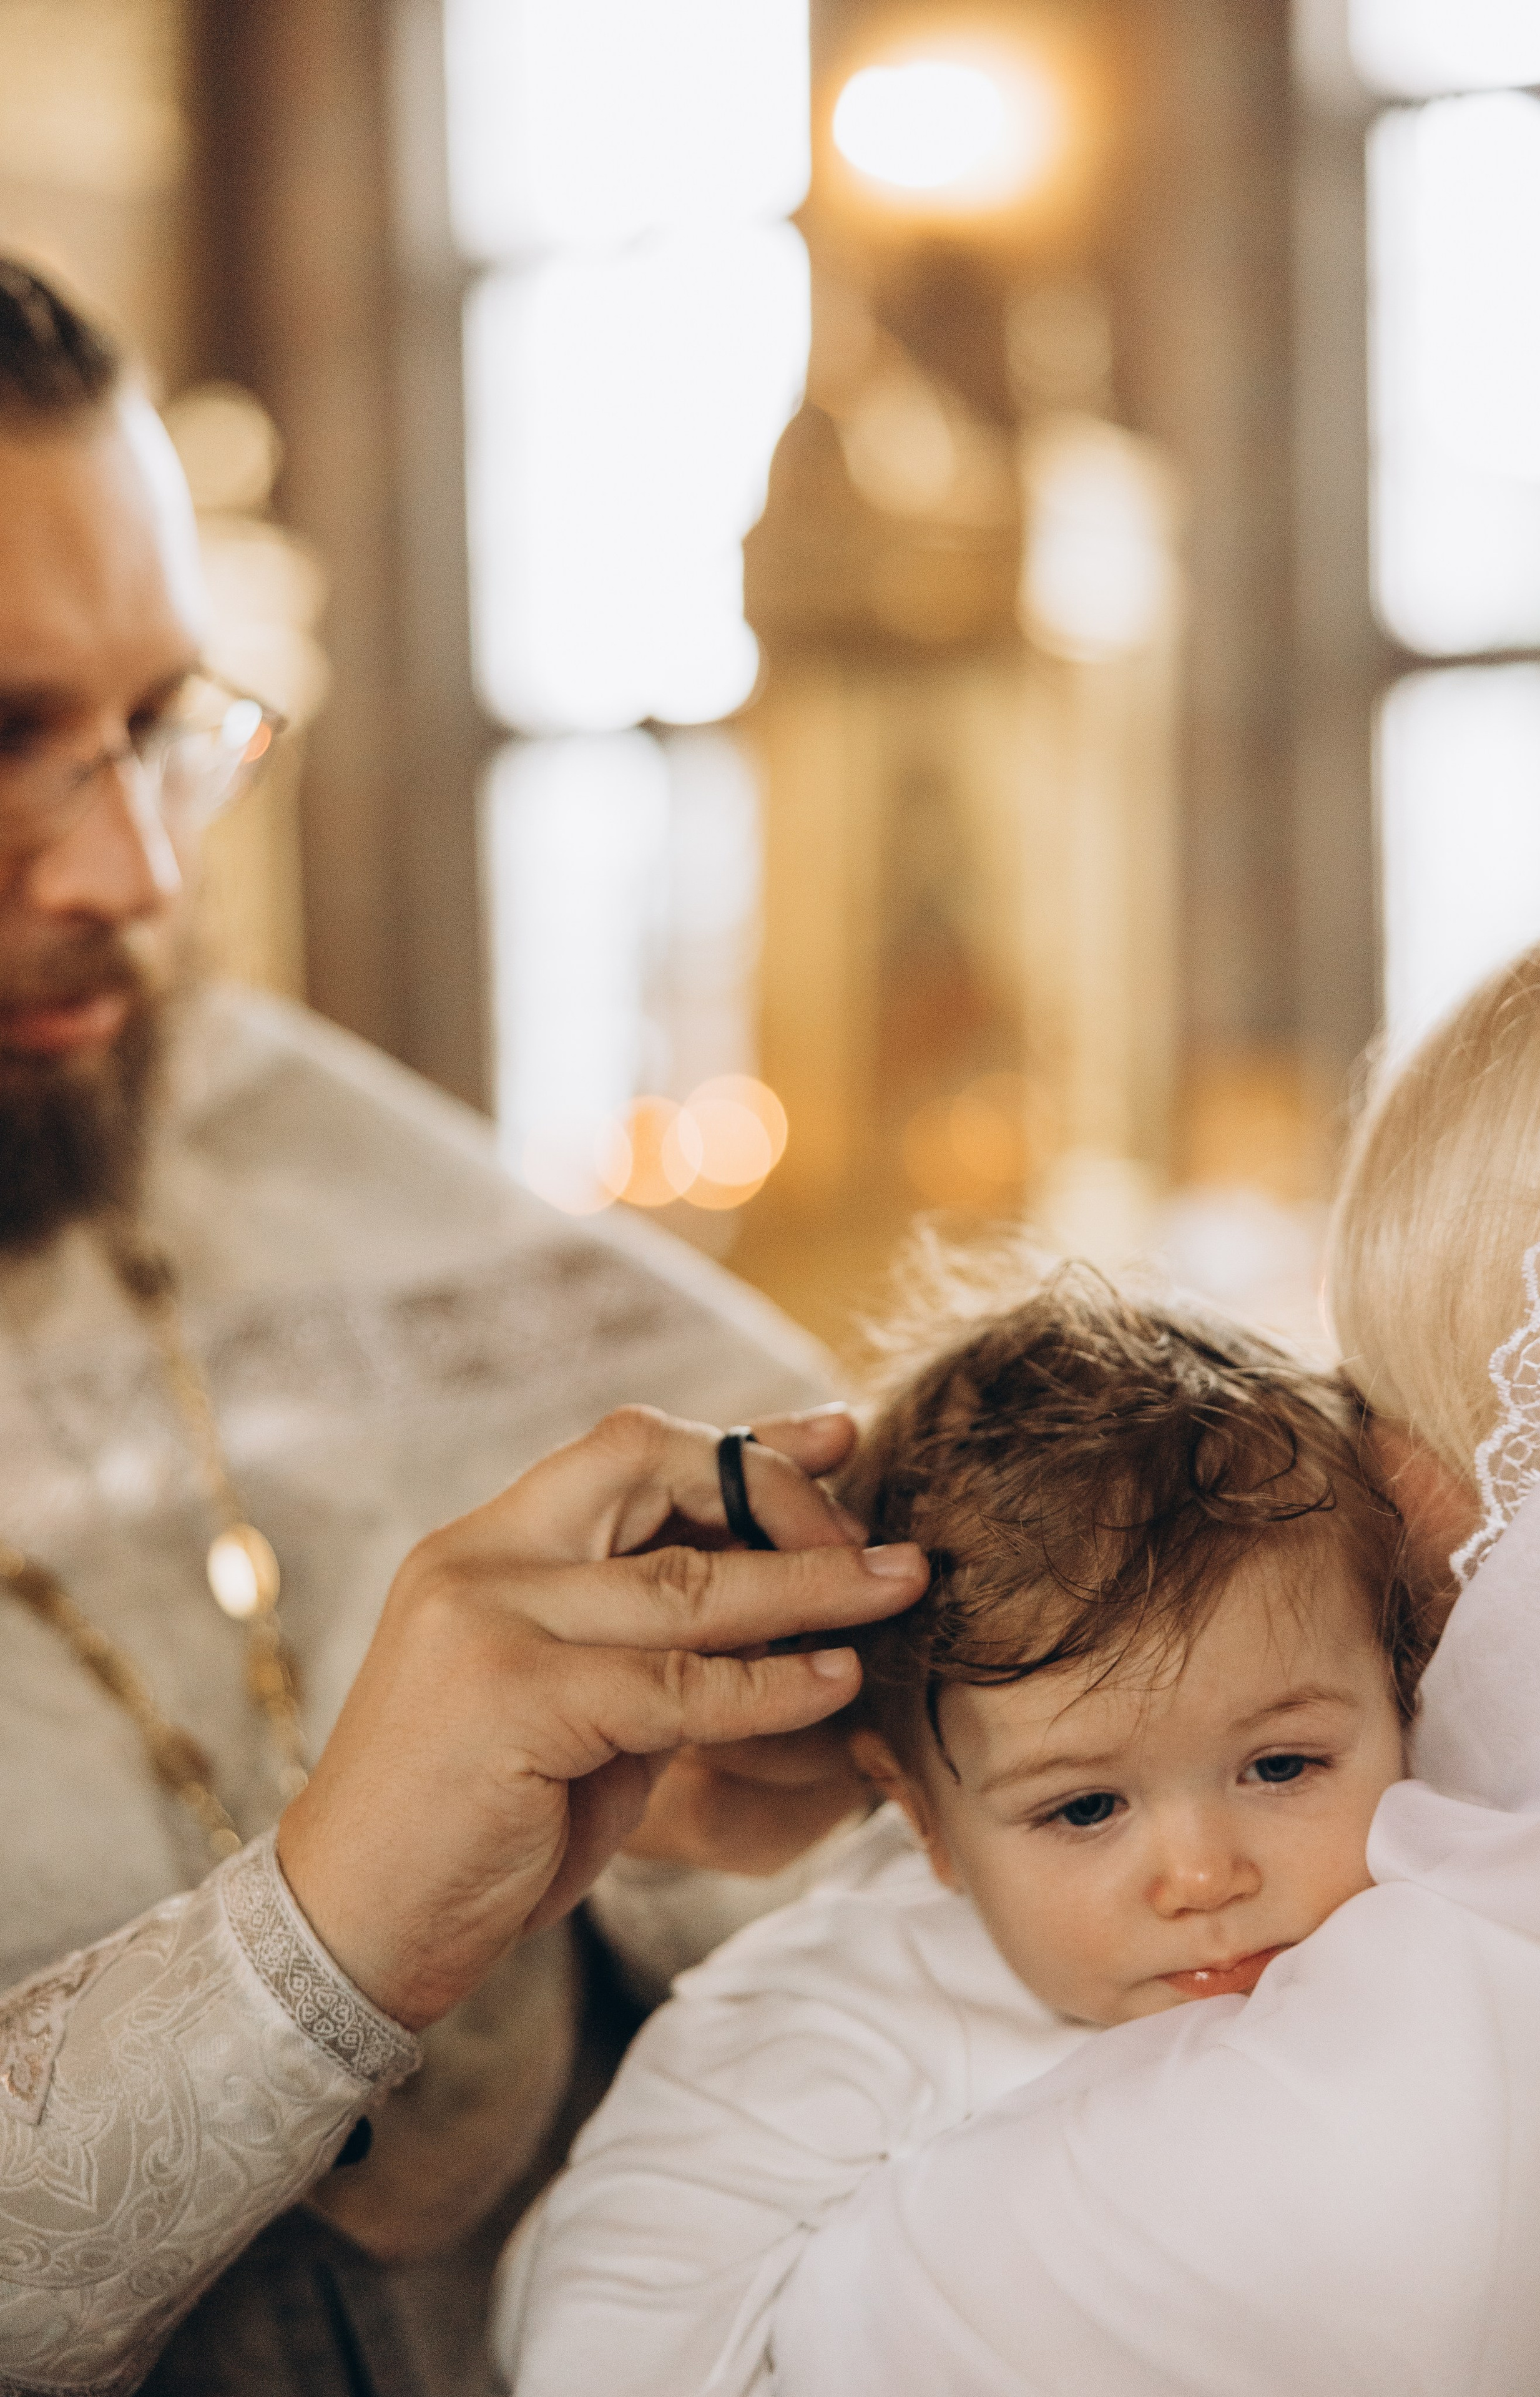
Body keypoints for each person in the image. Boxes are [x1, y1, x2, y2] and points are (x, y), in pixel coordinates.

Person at [0, 257, 928, 2395]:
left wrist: (686, 1839)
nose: (134, 874)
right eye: (1, 742)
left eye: (160, 727)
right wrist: (332, 1923)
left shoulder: (283, 1147)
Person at [749, 911, 1540, 2395]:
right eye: (1082, 1803)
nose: (1196, 1873)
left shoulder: (1436, 2084)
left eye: (1392, 1402)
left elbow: (783, 2334)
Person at [498, 1270, 1421, 2395]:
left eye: (1282, 1766)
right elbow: (597, 2348)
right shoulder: (826, 2020)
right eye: (1085, 1808)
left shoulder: (1440, 1922)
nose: (1203, 1874)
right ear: (924, 1819)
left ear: (1403, 1699)